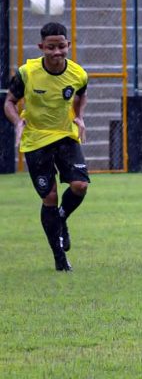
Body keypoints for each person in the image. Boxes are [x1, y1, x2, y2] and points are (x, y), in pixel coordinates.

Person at [3, 22, 89, 272]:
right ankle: (60, 259)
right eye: (50, 47)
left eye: (61, 46)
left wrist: (79, 115)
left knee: (80, 186)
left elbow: (82, 94)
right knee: (49, 197)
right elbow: (9, 101)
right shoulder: (26, 73)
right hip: (36, 140)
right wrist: (17, 121)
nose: (56, 52)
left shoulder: (78, 73)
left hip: (65, 136)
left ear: (68, 46)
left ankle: (61, 218)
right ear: (41, 47)